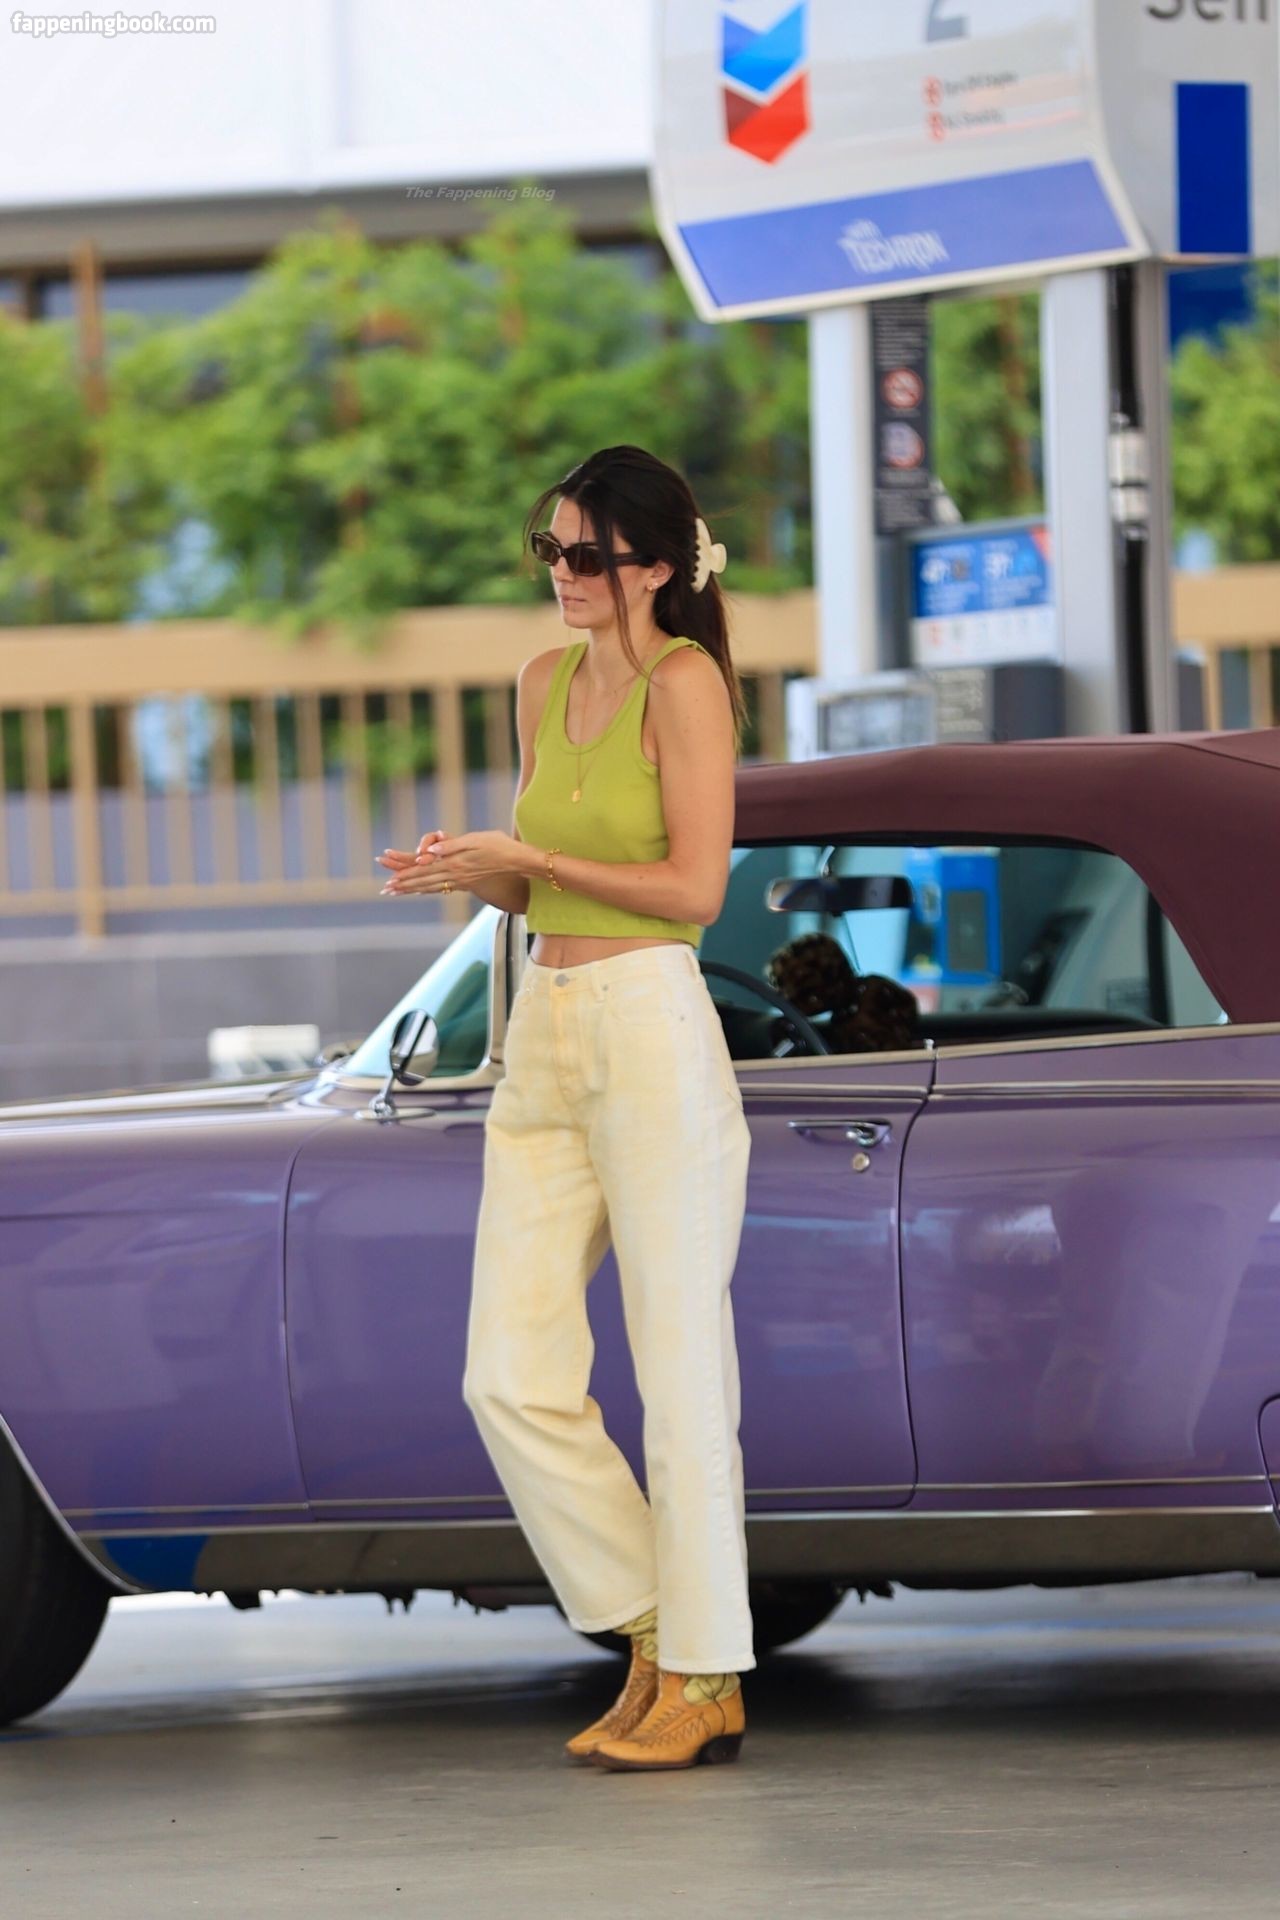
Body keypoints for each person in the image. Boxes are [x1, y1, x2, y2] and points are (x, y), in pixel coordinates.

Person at [375, 445, 754, 1771]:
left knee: (680, 1373)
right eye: (552, 549)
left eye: (588, 554)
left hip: (651, 1022)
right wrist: (472, 872)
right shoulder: (541, 681)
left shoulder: (687, 683)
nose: (564, 574)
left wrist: (528, 853)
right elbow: (545, 891)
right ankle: (655, 1626)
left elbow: (696, 890)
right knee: (509, 1375)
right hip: (543, 1026)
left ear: (653, 568)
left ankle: (705, 1676)